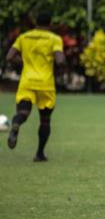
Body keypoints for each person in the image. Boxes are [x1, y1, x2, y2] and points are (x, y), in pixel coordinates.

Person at [6, 11, 65, 161]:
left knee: (23, 113)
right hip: (45, 84)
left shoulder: (23, 37)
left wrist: (20, 66)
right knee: (45, 120)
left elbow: (9, 56)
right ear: (50, 24)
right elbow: (59, 60)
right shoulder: (54, 39)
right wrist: (61, 67)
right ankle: (39, 153)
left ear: (36, 23)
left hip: (27, 81)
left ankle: (16, 124)